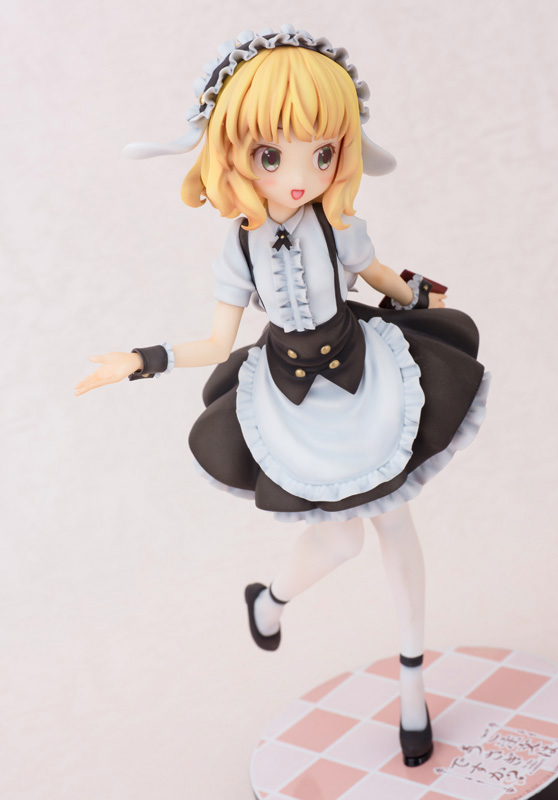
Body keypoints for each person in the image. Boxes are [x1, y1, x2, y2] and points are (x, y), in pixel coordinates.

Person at [75, 26, 490, 767]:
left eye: (321, 154)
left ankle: (412, 691)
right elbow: (216, 342)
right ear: (235, 153)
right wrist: (141, 360)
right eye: (272, 155)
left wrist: (424, 297)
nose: (299, 177)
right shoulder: (239, 247)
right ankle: (269, 599)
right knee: (341, 539)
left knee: (396, 526)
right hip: (295, 400)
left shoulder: (340, 227)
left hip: (368, 377)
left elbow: (384, 280)